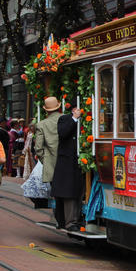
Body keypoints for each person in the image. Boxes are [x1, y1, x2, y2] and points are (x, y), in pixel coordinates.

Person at [51, 101, 83, 231]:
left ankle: (76, 219)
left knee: (77, 192)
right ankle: (68, 222)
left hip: (78, 162)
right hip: (67, 163)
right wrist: (74, 119)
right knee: (67, 192)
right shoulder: (64, 119)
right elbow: (63, 133)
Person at [35, 97, 62, 225]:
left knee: (56, 192)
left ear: (46, 110)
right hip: (66, 162)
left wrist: (45, 161)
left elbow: (38, 148)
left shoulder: (42, 124)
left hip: (51, 164)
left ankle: (59, 218)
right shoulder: (65, 120)